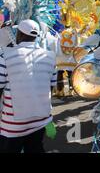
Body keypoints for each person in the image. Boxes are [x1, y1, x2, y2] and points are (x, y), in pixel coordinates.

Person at [0, 20, 57, 153]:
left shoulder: (5, 55)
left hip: (13, 125)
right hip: (40, 121)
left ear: (18, 34)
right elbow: (50, 89)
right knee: (35, 148)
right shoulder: (50, 57)